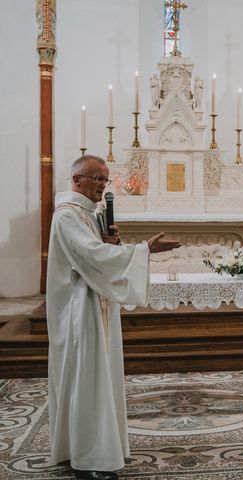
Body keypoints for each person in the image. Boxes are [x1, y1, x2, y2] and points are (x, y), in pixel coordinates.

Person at [47, 155, 181, 480]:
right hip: (80, 310)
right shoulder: (67, 216)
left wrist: (113, 242)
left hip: (94, 302)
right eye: (97, 179)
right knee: (87, 380)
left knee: (96, 379)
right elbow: (92, 257)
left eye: (106, 180)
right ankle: (87, 459)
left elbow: (97, 251)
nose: (103, 185)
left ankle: (87, 449)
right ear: (77, 179)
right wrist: (142, 250)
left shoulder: (87, 214)